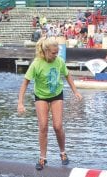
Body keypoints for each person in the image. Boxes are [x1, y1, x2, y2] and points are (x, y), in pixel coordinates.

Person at [17, 37, 82, 170]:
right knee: (43, 126)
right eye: (53, 52)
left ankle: (63, 153)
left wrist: (75, 91)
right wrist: (20, 103)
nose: (55, 55)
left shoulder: (59, 61)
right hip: (41, 96)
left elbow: (68, 75)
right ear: (46, 51)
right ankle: (43, 158)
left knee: (57, 126)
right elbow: (25, 83)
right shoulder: (36, 63)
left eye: (57, 52)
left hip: (57, 94)